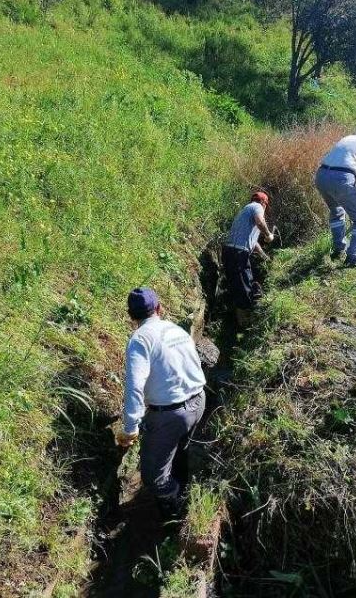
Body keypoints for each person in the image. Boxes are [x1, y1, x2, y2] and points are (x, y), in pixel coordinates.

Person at [115, 288, 207, 518]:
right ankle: (184, 481)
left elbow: (135, 386)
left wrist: (130, 429)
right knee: (182, 448)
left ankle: (175, 506)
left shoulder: (140, 340)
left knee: (153, 476)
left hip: (170, 415)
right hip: (199, 401)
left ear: (131, 316)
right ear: (159, 308)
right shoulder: (175, 330)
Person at [315, 125, 356, 268]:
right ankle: (353, 258)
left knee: (337, 211)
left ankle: (339, 248)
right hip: (342, 178)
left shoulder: (348, 138)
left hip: (321, 175)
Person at [222, 191, 275, 324]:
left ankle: (241, 320)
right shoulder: (256, 207)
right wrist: (268, 234)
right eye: (265, 206)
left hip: (231, 251)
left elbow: (253, 241)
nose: (264, 209)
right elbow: (260, 221)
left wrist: (264, 256)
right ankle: (245, 322)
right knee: (244, 286)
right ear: (263, 203)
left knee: (239, 284)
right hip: (238, 252)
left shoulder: (245, 211)